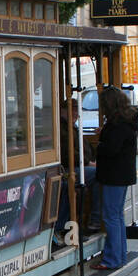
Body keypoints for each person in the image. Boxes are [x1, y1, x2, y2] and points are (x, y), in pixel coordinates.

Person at [92, 85, 138, 269]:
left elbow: (111, 149)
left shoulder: (117, 124)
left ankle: (112, 259)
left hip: (114, 175)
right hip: (123, 174)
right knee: (117, 216)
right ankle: (119, 256)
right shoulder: (127, 120)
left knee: (111, 216)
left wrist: (99, 145)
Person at [54, 97, 98, 246]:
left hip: (78, 166)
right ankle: (93, 220)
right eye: (71, 110)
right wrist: (88, 162)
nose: (75, 114)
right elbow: (68, 153)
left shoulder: (72, 127)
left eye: (76, 111)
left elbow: (85, 149)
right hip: (68, 169)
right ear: (62, 111)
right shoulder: (61, 128)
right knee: (95, 175)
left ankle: (87, 221)